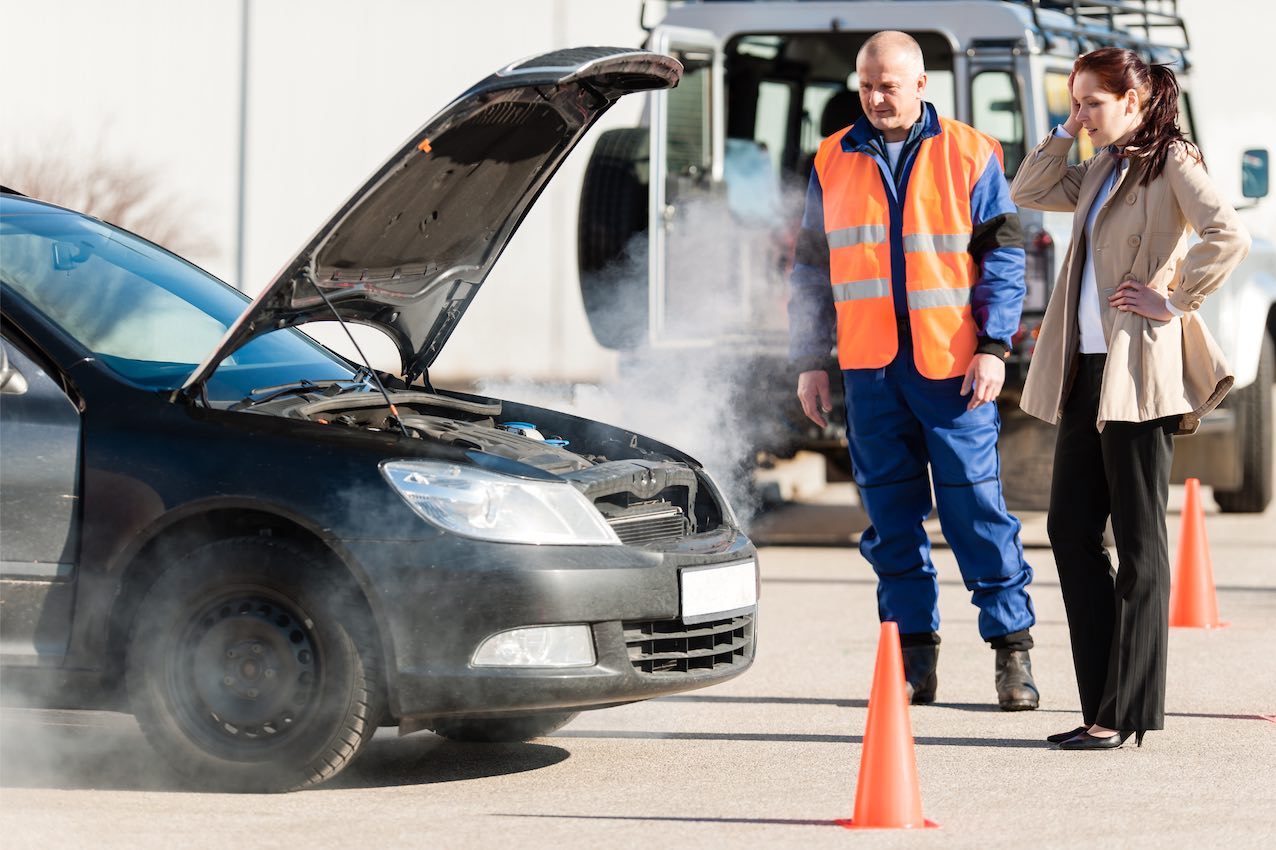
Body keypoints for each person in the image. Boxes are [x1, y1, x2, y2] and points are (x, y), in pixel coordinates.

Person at [789, 31, 1038, 710]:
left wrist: (994, 346)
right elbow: (811, 269)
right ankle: (912, 662)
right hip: (869, 371)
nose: (875, 98)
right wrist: (812, 360)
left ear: (921, 83)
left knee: (976, 513)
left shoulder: (971, 152)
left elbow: (1004, 258)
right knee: (890, 522)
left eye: (888, 86)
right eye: (866, 86)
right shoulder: (833, 158)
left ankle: (1012, 653)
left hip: (951, 369)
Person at [1011, 47, 1249, 749]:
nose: (1079, 115)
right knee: (1069, 529)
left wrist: (1173, 298)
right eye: (1075, 102)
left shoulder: (1170, 158)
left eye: (1091, 103)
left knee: (1141, 545)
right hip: (1085, 372)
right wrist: (1062, 131)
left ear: (1135, 101)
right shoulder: (1100, 168)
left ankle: (1125, 713)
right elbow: (1028, 189)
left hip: (1140, 374)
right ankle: (1103, 706)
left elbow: (1225, 233)